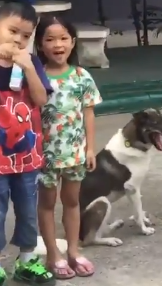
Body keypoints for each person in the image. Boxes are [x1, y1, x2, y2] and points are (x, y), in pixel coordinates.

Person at [0, 2, 55, 286]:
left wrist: (29, 67)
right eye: (13, 31)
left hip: (26, 156)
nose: (18, 40)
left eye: (26, 35)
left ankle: (27, 261)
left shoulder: (34, 64)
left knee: (28, 209)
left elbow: (41, 100)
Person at [35, 15, 101, 279]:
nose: (57, 44)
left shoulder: (81, 76)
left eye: (63, 38)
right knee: (47, 204)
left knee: (72, 202)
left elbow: (89, 114)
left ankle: (73, 251)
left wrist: (90, 148)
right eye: (50, 39)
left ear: (73, 42)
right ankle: (53, 254)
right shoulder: (36, 77)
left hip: (75, 153)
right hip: (45, 156)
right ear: (40, 45)